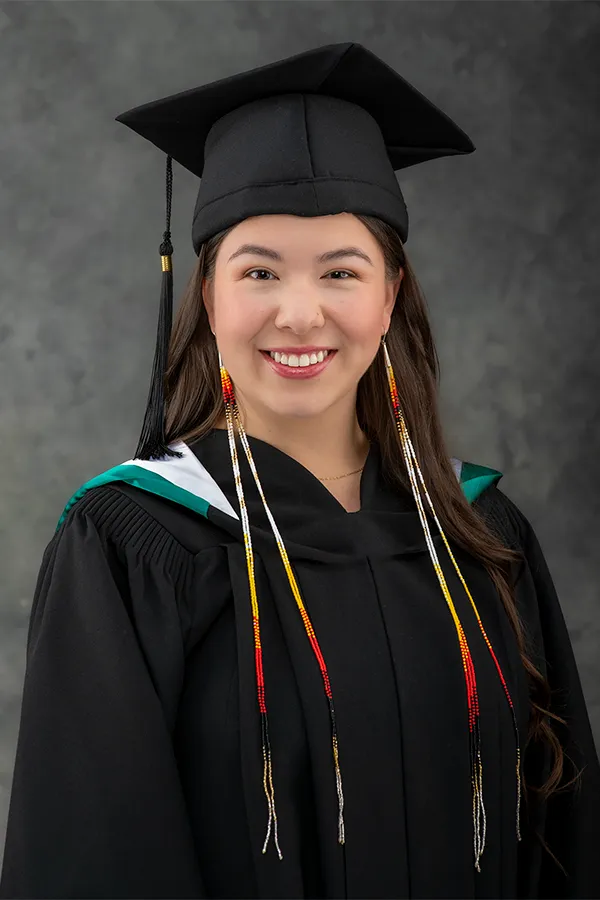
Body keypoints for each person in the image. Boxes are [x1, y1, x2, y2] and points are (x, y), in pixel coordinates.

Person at [1, 42, 598, 900]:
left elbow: (562, 838)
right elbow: (95, 856)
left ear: (389, 297)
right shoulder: (133, 546)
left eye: (341, 272)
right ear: (210, 299)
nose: (300, 312)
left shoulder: (483, 536)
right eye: (260, 271)